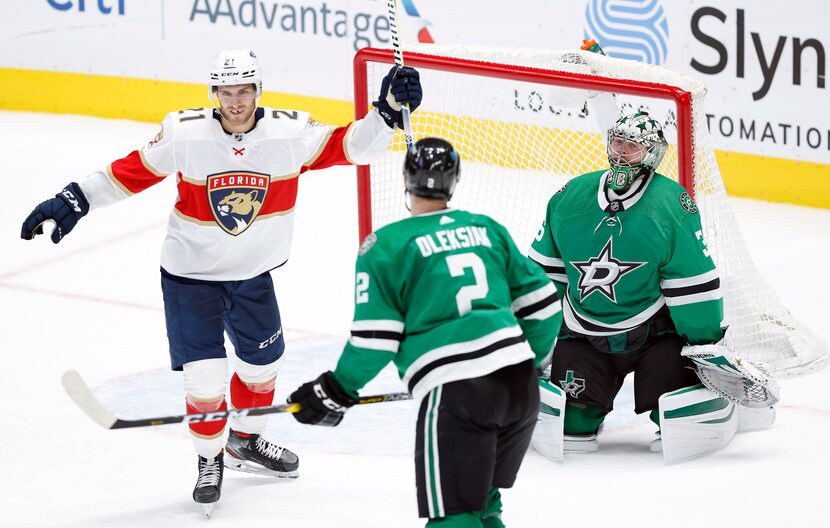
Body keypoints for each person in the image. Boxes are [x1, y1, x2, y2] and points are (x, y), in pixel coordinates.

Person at [20, 49, 423, 513]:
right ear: (214, 94)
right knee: (206, 379)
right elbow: (128, 173)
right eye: (226, 93)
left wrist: (387, 111)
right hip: (190, 278)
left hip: (252, 276)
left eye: (244, 91)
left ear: (257, 91)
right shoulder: (185, 133)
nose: (235, 102)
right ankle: (209, 458)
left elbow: (355, 146)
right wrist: (74, 199)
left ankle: (244, 441)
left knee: (263, 365)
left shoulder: (289, 133)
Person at [287, 138, 563, 528]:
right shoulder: (487, 228)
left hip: (460, 392)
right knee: (482, 502)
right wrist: (525, 361)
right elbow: (545, 307)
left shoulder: (385, 246)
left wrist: (336, 388)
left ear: (405, 178)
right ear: (454, 181)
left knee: (452, 516)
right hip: (520, 387)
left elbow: (375, 339)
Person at [527, 110, 776, 455]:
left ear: (652, 154)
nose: (621, 153)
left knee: (676, 418)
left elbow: (693, 285)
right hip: (584, 335)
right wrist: (534, 339)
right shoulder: (569, 196)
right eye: (618, 142)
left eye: (633, 146)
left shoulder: (669, 204)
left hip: (654, 338)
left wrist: (706, 343)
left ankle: (685, 395)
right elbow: (543, 277)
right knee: (572, 425)